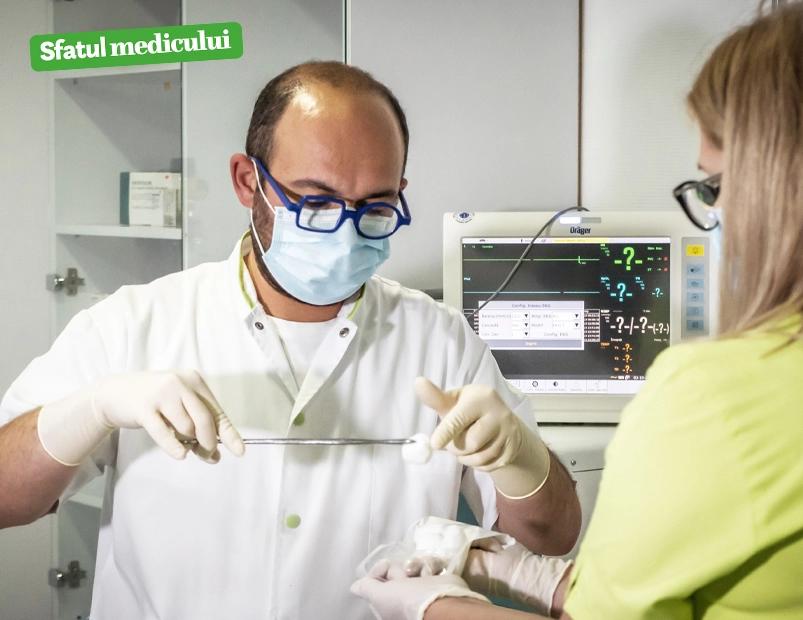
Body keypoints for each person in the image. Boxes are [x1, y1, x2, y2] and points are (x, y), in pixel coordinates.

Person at [351, 1, 803, 618]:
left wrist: (435, 606)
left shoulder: (714, 397)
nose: (712, 214)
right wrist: (517, 571)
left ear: (783, 191)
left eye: (715, 187)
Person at [0, 61, 581, 618]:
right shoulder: (135, 323)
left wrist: (520, 459)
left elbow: (552, 538)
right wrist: (95, 407)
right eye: (316, 200)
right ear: (247, 180)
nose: (347, 230)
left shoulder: (442, 342)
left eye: (375, 205)